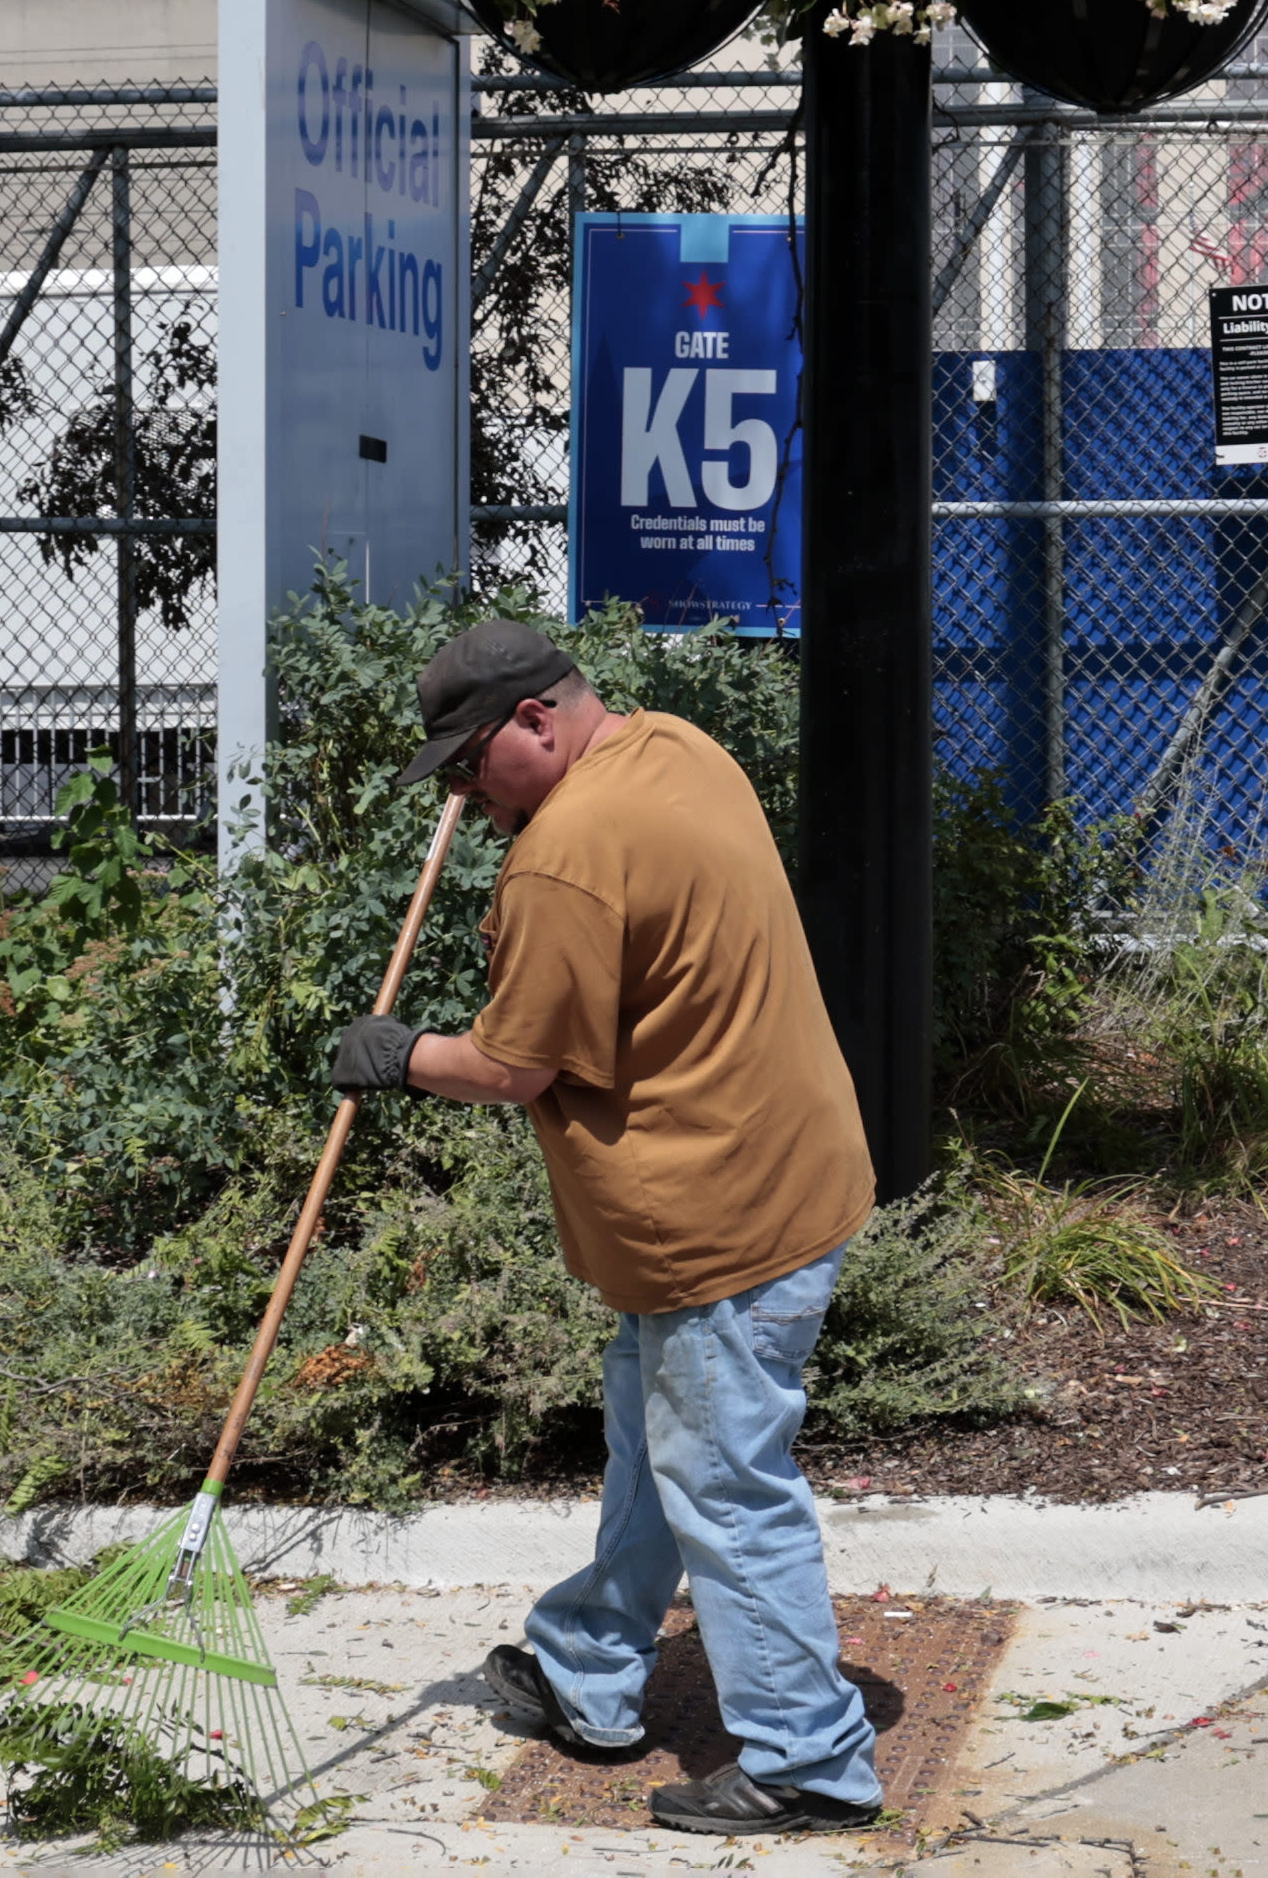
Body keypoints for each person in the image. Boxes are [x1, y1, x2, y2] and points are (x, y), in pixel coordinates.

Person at [328, 619, 882, 1837]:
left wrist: (401, 1054)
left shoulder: (564, 854)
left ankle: (811, 1760)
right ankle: (588, 1671)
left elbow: (516, 1065)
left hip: (715, 1221)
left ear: (536, 720)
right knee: (656, 1441)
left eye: (474, 767)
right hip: (786, 1168)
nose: (467, 800)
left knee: (725, 1486)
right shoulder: (676, 747)